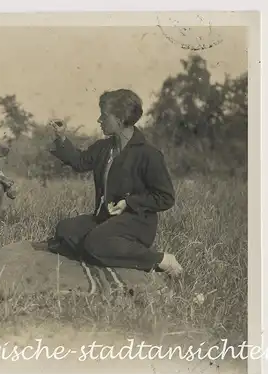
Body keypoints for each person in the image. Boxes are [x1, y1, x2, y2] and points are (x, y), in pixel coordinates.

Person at [46, 89, 183, 277]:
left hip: (135, 223)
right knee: (65, 229)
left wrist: (129, 202)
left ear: (119, 119)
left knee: (94, 243)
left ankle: (160, 260)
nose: (99, 120)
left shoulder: (148, 154)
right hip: (106, 219)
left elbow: (166, 197)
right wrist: (61, 137)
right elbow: (79, 162)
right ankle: (102, 251)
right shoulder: (104, 148)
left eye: (103, 116)